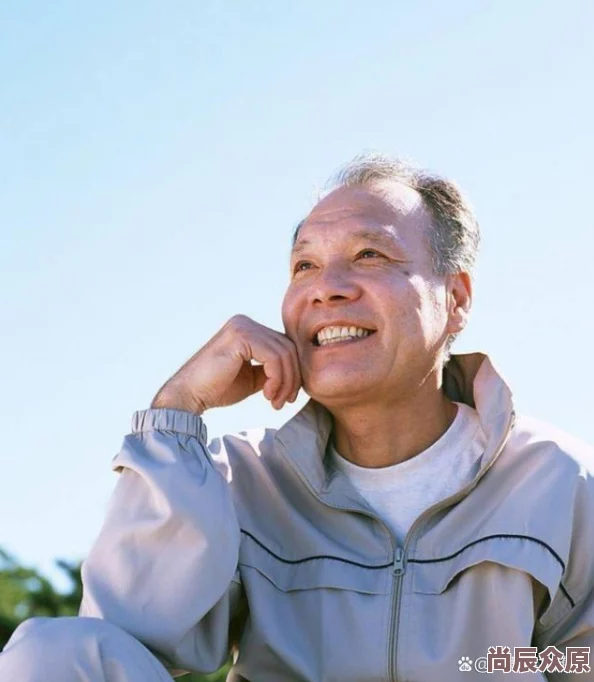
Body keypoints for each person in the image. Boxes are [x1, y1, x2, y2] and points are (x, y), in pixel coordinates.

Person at [1, 154, 593, 682]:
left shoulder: (553, 479)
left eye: (368, 255)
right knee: (49, 656)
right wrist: (177, 410)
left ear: (456, 298)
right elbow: (120, 644)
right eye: (304, 266)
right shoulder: (239, 480)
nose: (326, 289)